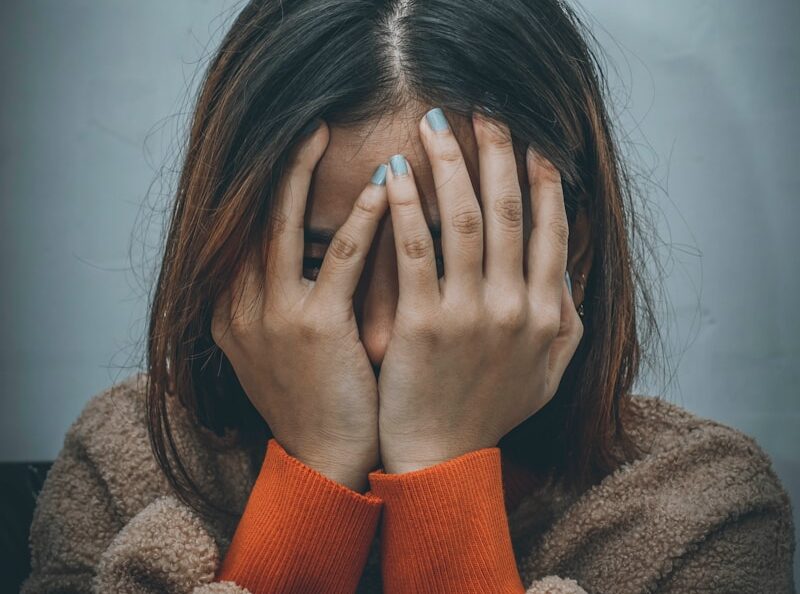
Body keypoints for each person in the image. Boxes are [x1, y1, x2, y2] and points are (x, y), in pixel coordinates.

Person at [21, 1, 795, 593]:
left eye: (454, 262)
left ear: (574, 254)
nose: (388, 335)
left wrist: (441, 471)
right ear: (226, 251)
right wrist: (315, 478)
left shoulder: (702, 509)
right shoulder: (127, 464)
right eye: (324, 262)